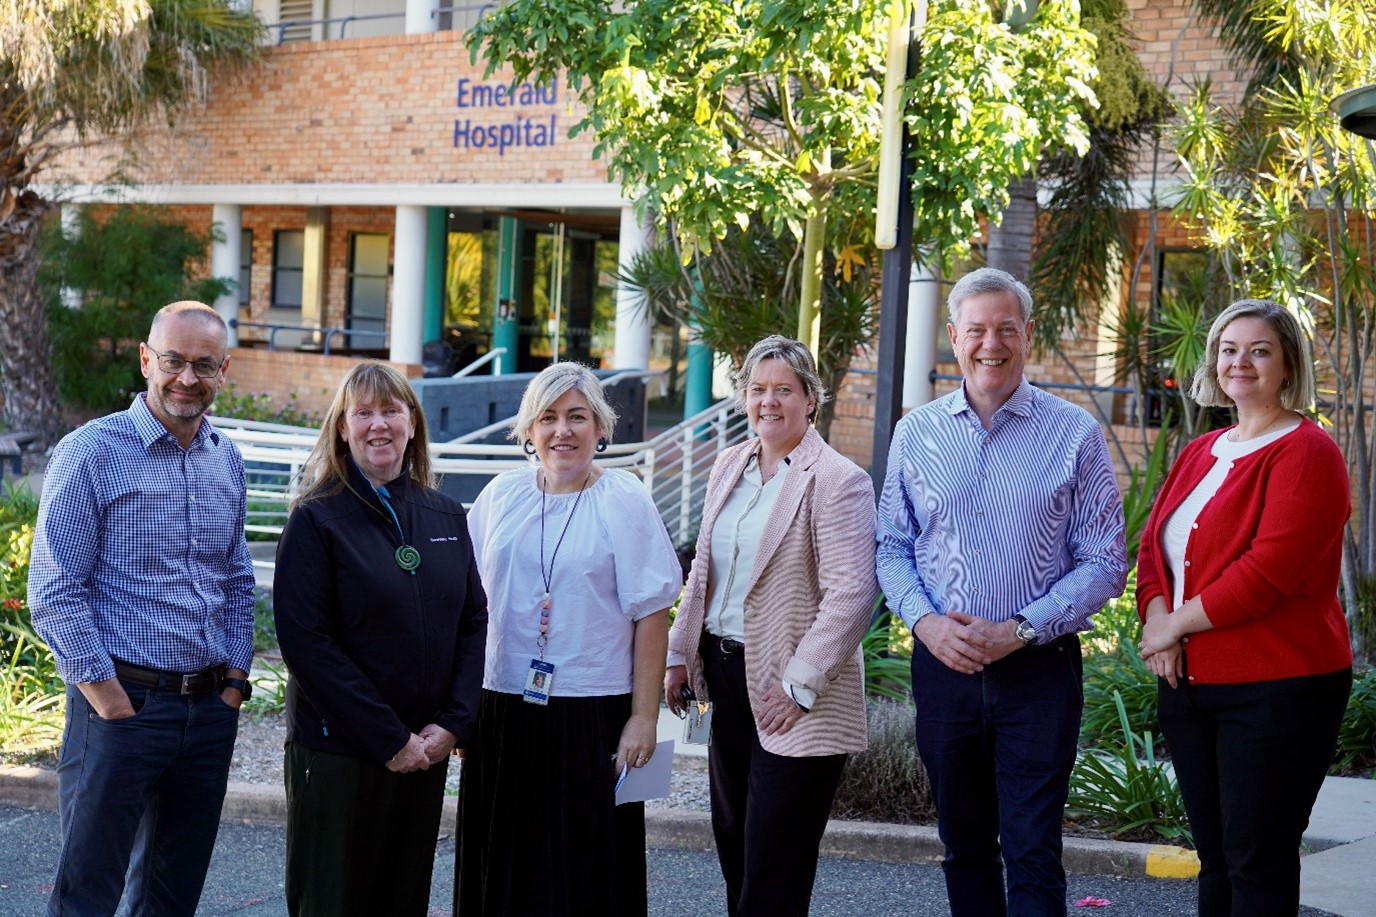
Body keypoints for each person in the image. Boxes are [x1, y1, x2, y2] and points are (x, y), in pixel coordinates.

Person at [877, 268, 1128, 917]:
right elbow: (891, 546)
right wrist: (927, 624)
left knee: (1033, 847)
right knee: (963, 846)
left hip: (1037, 670)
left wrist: (1018, 628)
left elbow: (1105, 559)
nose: (992, 343)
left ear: (1027, 334)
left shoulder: (1074, 433)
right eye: (978, 330)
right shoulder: (916, 433)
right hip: (944, 667)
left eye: (1006, 328)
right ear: (954, 337)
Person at [28, 300, 255, 917]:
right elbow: (53, 588)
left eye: (204, 365)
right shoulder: (90, 453)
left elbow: (236, 576)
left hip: (207, 711)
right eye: (174, 361)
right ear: (146, 359)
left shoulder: (225, 458)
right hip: (122, 705)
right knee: (87, 894)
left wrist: (234, 682)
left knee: (170, 896)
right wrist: (107, 697)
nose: (187, 379)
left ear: (224, 369)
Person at [1137, 299, 1352, 917]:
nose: (1241, 362)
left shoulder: (1308, 453)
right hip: (1188, 685)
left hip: (1278, 689)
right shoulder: (1201, 449)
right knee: (1216, 858)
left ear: (1288, 365)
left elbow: (1265, 573)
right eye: (1230, 349)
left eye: (1260, 350)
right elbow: (1155, 547)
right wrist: (1159, 622)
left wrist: (1173, 625)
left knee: (1257, 860)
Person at [455, 362, 682, 917]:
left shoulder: (623, 498)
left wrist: (644, 718)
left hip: (593, 711)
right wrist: (457, 709)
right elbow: (466, 604)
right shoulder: (501, 496)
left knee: (585, 870)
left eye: (578, 417)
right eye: (549, 418)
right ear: (529, 431)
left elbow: (652, 613)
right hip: (502, 707)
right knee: (505, 863)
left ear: (600, 429)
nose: (563, 431)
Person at [664, 335, 877, 917]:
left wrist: (797, 685)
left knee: (775, 856)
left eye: (784, 390)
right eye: (758, 389)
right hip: (724, 677)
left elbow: (853, 593)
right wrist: (679, 653)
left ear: (811, 399)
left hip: (793, 691)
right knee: (734, 840)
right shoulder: (730, 463)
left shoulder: (838, 479)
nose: (769, 402)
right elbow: (704, 569)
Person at [272, 361, 488, 917]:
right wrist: (389, 738)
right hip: (341, 752)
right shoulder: (317, 518)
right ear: (341, 428)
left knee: (401, 899)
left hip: (424, 751)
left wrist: (452, 724)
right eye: (362, 412)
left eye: (391, 410)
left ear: (412, 423)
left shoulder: (444, 512)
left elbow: (472, 620)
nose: (378, 425)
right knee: (335, 901)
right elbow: (307, 642)